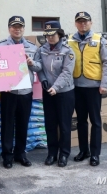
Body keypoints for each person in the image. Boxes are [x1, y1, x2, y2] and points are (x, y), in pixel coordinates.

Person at [68, 11, 107, 167]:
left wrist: (105, 84)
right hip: (76, 87)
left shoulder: (99, 40)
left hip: (94, 87)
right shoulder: (70, 41)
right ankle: (83, 151)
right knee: (81, 121)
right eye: (79, 21)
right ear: (75, 24)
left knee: (95, 121)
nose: (83, 24)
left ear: (91, 23)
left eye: (85, 21)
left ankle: (95, 154)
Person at [0, 16, 37, 169]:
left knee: (23, 124)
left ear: (23, 28)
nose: (17, 29)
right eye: (14, 26)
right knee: (7, 125)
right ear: (9, 28)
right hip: (9, 92)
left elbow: (38, 67)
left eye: (20, 26)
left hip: (26, 92)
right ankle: (7, 156)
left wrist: (32, 63)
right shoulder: (0, 46)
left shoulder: (32, 47)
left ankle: (21, 154)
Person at [33, 21, 75, 167]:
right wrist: (43, 80)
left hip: (64, 92)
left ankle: (64, 154)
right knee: (50, 124)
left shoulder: (67, 51)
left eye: (53, 34)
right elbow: (39, 67)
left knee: (64, 125)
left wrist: (56, 87)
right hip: (48, 92)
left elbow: (67, 72)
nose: (50, 38)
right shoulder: (42, 49)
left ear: (60, 34)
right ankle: (52, 153)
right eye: (47, 35)